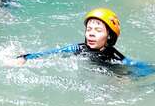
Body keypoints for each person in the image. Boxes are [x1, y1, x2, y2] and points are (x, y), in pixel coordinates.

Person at [13, 8, 154, 75]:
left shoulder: (114, 57)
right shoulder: (79, 49)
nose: (91, 33)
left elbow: (137, 67)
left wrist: (126, 79)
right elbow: (52, 53)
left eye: (98, 30)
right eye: (89, 29)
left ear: (109, 36)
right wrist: (25, 57)